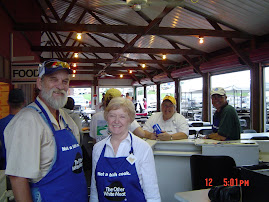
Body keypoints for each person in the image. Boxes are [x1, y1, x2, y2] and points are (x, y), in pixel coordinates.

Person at [4, 59, 88, 201]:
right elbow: (18, 178)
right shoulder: (27, 121)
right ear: (39, 83)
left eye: (65, 81)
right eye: (53, 79)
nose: (60, 86)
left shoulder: (66, 119)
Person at [90, 97, 161, 201]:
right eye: (112, 116)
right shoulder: (98, 148)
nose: (116, 121)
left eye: (122, 116)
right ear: (106, 118)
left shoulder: (143, 148)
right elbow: (94, 190)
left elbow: (152, 193)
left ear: (130, 119)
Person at [0, 88, 25, 170]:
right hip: (26, 167)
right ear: (24, 102)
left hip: (6, 167)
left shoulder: (1, 123)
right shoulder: (32, 122)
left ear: (8, 102)